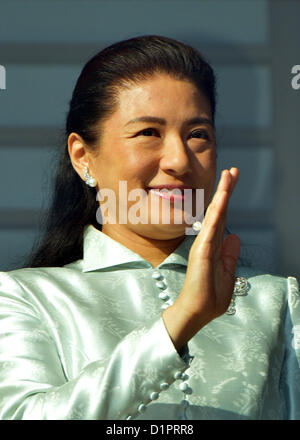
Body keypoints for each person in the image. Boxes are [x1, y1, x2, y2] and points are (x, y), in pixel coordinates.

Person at [0, 35, 299, 421]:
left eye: (198, 135)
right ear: (83, 156)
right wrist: (181, 320)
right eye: (148, 133)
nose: (178, 159)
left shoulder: (277, 302)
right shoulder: (25, 296)